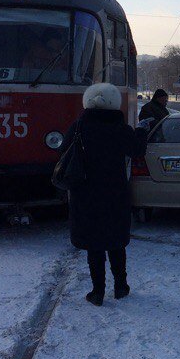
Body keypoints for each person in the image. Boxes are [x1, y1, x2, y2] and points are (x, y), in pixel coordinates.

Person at [60, 82, 148, 306]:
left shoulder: (79, 127)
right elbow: (137, 151)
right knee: (116, 241)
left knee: (94, 244)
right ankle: (121, 286)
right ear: (114, 103)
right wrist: (141, 131)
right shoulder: (120, 128)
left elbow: (62, 152)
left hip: (85, 193)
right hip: (114, 193)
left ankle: (97, 291)